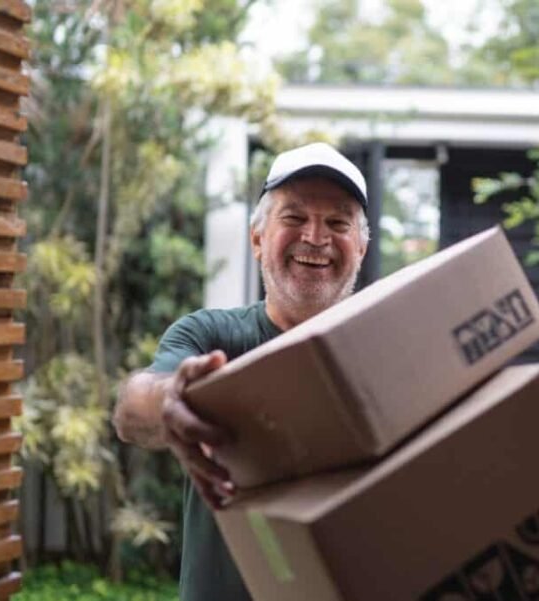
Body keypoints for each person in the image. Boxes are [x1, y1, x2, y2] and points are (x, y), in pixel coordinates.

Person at [112, 142, 370, 600]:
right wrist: (171, 399)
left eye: (337, 222)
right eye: (293, 218)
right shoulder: (213, 337)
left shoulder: (386, 353)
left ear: (362, 247)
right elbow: (134, 408)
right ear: (257, 239)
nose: (315, 236)